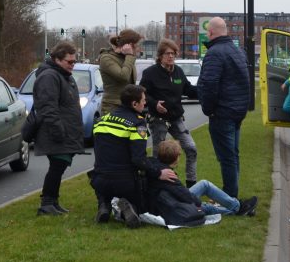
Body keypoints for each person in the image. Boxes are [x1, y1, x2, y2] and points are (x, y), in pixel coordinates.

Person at [90, 84, 177, 227]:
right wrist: (158, 173)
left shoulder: (102, 120)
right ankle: (128, 208)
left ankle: (104, 204)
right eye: (143, 100)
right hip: (124, 182)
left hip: (99, 179)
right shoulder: (138, 123)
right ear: (134, 103)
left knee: (104, 179)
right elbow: (138, 159)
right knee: (141, 204)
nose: (145, 102)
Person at [197, 16, 250, 199]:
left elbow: (209, 84)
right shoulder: (238, 51)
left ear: (210, 32)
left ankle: (229, 197)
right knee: (233, 155)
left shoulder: (214, 53)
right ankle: (231, 193)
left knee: (226, 157)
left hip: (222, 112)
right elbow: (245, 81)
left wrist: (208, 109)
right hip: (237, 111)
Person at [32, 41, 85, 215]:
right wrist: (58, 131)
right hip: (55, 132)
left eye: (74, 62)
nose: (73, 65)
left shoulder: (63, 75)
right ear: (57, 59)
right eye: (69, 62)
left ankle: (52, 202)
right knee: (57, 166)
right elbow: (47, 108)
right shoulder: (49, 77)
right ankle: (47, 203)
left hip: (65, 131)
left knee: (59, 167)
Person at [139, 38, 199, 187]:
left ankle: (191, 185)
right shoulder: (150, 73)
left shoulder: (178, 71)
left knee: (191, 149)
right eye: (167, 53)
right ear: (160, 56)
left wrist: (205, 90)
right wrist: (154, 103)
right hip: (158, 119)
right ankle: (156, 185)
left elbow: (188, 90)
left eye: (173, 53)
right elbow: (142, 93)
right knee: (158, 154)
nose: (171, 56)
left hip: (176, 118)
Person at [151, 140, 258, 219]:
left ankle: (242, 210)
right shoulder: (168, 174)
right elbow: (184, 195)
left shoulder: (157, 167)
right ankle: (238, 207)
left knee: (207, 207)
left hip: (167, 204)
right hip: (173, 206)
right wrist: (198, 202)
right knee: (204, 186)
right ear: (175, 158)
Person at [99, 29, 141, 114]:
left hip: (127, 107)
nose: (139, 49)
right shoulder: (106, 58)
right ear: (129, 46)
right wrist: (129, 55)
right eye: (137, 46)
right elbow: (123, 77)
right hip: (113, 108)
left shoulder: (127, 58)